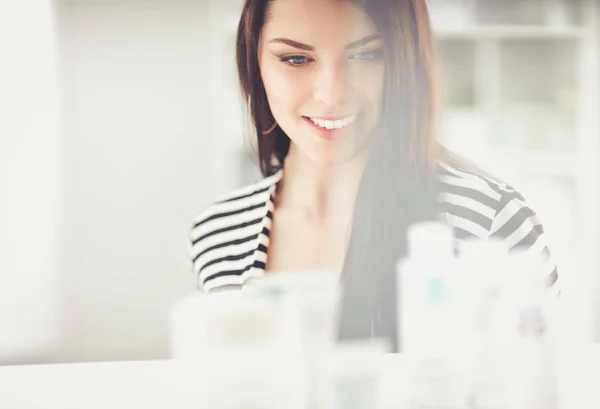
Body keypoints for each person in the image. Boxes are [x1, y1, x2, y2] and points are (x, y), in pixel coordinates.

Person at [188, 0, 559, 347]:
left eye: (366, 55)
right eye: (296, 59)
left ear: (405, 61)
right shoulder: (219, 233)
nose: (331, 95)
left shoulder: (491, 221)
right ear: (254, 65)